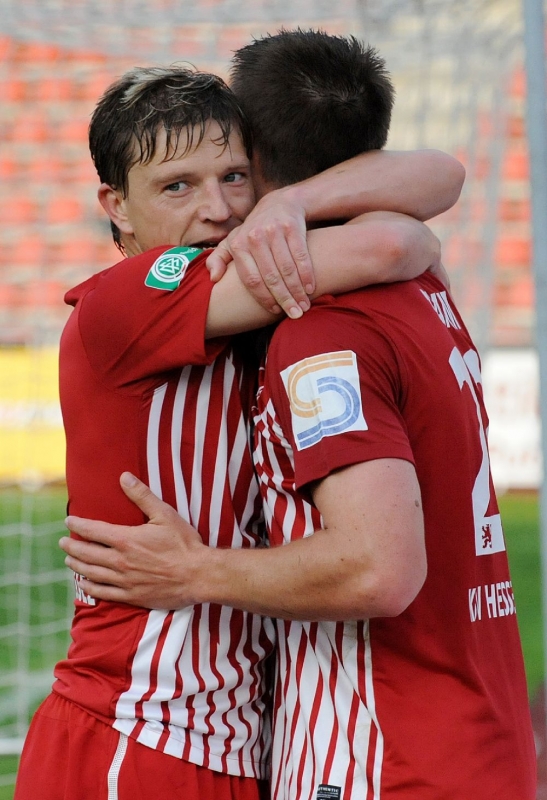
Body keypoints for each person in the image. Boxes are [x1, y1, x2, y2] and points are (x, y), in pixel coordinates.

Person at [60, 30, 536, 799]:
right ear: (115, 208)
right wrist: (333, 213)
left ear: (262, 167)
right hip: (140, 726)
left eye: (233, 177)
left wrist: (291, 201)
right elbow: (396, 235)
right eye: (176, 187)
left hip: (286, 741)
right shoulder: (140, 296)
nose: (217, 210)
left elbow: (436, 181)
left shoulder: (306, 316)